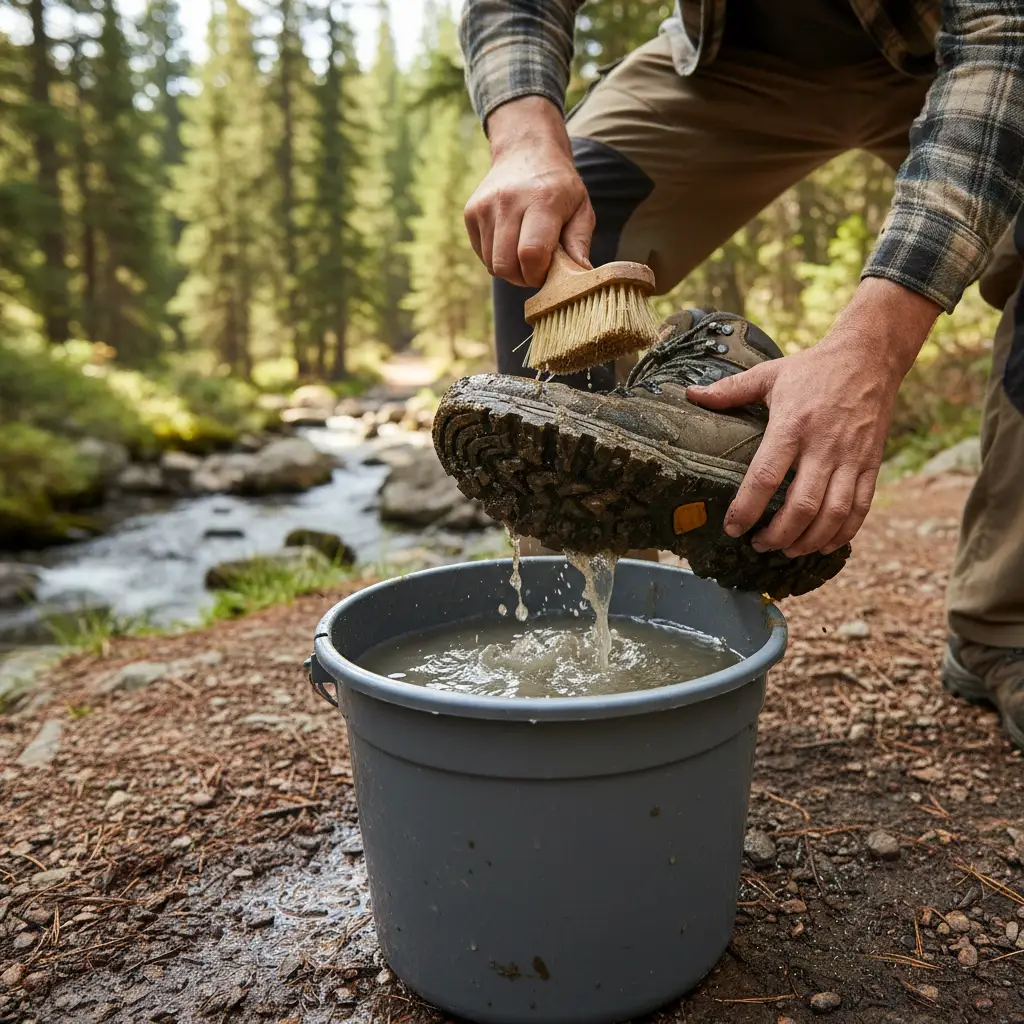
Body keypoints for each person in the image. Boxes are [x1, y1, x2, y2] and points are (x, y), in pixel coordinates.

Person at [444, 0, 1024, 747]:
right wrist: (523, 137)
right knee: (546, 213)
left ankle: (1004, 624)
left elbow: (1003, 37)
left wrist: (871, 352)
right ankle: (597, 625)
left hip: (956, 49)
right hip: (725, 59)